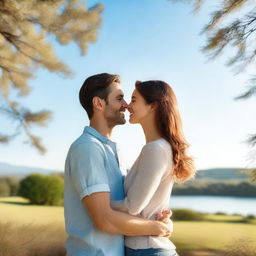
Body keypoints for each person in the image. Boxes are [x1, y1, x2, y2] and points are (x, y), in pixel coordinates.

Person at [64, 73, 172, 256]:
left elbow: (131, 205)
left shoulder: (116, 152)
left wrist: (160, 218)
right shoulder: (88, 148)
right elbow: (105, 220)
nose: (126, 105)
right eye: (120, 98)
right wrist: (158, 228)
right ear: (98, 103)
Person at [111, 80, 196, 256]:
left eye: (134, 100)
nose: (127, 106)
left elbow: (132, 206)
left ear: (153, 106)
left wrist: (95, 204)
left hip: (148, 250)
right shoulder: (157, 148)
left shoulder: (156, 149)